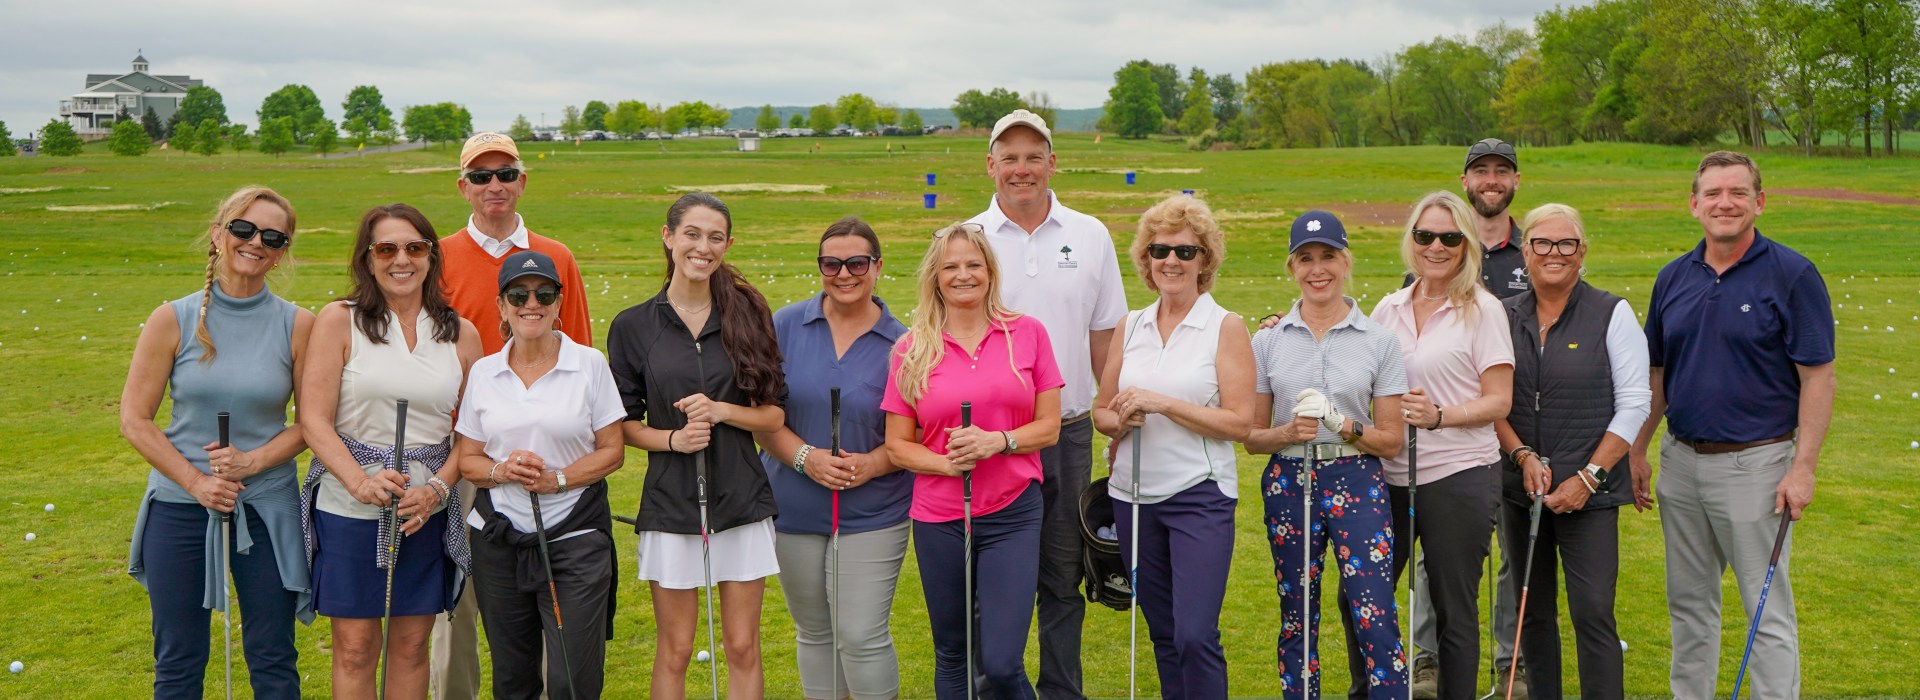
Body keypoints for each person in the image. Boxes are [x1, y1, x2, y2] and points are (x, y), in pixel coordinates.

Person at [1631, 151, 1833, 700]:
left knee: (1765, 610)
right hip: (1681, 462)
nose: (1726, 203)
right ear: (1694, 205)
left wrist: (1804, 468)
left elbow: (1817, 376)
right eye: (1714, 193)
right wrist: (1639, 448)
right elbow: (1657, 373)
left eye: (1738, 192)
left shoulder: (1792, 274)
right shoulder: (1673, 277)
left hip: (1757, 468)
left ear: (1759, 202)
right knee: (1689, 605)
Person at [121, 186, 316, 699]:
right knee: (179, 658)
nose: (256, 242)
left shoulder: (299, 326)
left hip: (265, 508)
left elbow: (313, 423)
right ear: (218, 234)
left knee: (273, 655)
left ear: (281, 253)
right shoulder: (174, 319)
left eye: (272, 237)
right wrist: (196, 481)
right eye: (244, 229)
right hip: (181, 505)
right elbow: (135, 419)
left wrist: (251, 461)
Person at [966, 109, 1128, 700]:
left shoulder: (1089, 234)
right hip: (989, 438)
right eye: (1009, 157)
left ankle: (1062, 691)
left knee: (1062, 574)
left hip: (1069, 427)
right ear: (990, 166)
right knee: (990, 576)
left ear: (1053, 163)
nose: (1021, 168)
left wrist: (1110, 415)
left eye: (1034, 156)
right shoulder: (966, 239)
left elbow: (1106, 334)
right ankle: (992, 688)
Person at [432, 131, 594, 700]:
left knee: (550, 611)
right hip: (462, 454)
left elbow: (578, 357)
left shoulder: (557, 258)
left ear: (523, 181)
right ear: (463, 187)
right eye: (481, 176)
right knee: (460, 606)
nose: (494, 185)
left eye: (505, 174)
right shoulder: (439, 258)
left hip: (547, 462)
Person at [609, 192, 788, 698]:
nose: (702, 247)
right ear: (668, 238)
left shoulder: (749, 316)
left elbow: (774, 412)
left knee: (742, 645)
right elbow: (623, 423)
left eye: (714, 238)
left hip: (741, 497)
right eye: (692, 234)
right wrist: (674, 439)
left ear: (727, 245)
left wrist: (724, 411)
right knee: (677, 648)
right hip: (670, 502)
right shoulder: (632, 325)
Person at [299, 204, 481, 699]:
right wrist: (359, 481)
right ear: (368, 258)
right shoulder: (340, 320)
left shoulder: (461, 333)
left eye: (414, 247)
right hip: (349, 503)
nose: (401, 259)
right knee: (356, 646)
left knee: (412, 644)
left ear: (431, 256)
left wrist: (440, 489)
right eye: (386, 248)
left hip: (424, 509)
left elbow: (472, 432)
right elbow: (313, 418)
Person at [883, 222, 1063, 700]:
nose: (963, 275)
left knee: (1003, 663)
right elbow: (898, 444)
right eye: (951, 267)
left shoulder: (1027, 334)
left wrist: (997, 442)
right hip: (940, 517)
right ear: (935, 277)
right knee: (953, 655)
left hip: (1012, 513)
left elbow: (1049, 426)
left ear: (990, 271)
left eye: (973, 265)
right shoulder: (911, 348)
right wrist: (946, 463)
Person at [1091, 196, 1254, 699]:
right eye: (1160, 249)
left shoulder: (1226, 326)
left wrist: (1163, 404)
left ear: (1204, 260)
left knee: (1194, 634)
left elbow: (1240, 423)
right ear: (1146, 258)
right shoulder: (1131, 325)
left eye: (1185, 251)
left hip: (1198, 496)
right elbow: (1100, 411)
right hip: (1132, 498)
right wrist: (1119, 420)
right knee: (1162, 632)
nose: (1171, 261)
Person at [1246, 211, 1409, 699]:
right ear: (1292, 267)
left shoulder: (1378, 339)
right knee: (1297, 613)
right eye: (1306, 259)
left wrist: (1344, 425)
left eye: (1329, 257)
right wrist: (1285, 432)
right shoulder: (1269, 340)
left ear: (1346, 261)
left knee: (1374, 611)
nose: (1318, 269)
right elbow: (1252, 437)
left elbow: (1392, 440)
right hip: (1288, 478)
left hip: (1356, 476)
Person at [1491, 204, 1651, 700]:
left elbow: (1634, 404)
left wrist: (1587, 478)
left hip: (1590, 497)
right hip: (1523, 493)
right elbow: (1491, 399)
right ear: (1526, 251)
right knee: (1533, 612)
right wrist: (1521, 457)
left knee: (1593, 612)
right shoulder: (1501, 313)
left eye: (1566, 244)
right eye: (1542, 243)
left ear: (1582, 253)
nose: (1554, 253)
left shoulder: (1611, 312)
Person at [453, 251, 626, 698]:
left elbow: (613, 451)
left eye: (544, 293)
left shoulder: (589, 364)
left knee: (573, 678)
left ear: (558, 302)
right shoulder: (485, 372)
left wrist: (559, 479)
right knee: (513, 678)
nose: (532, 303)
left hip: (574, 539)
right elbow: (468, 457)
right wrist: (501, 470)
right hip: (500, 541)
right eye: (519, 294)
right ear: (502, 306)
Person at [1362, 191, 1514, 700]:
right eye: (1425, 235)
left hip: (1459, 475)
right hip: (1389, 479)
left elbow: (1499, 401)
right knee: (1359, 597)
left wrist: (1441, 416)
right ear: (1412, 240)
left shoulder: (1484, 310)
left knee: (1453, 608)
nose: (1436, 246)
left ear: (1468, 244)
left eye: (1450, 238)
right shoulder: (1390, 307)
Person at [754, 217, 912, 700]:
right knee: (816, 633)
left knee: (861, 637)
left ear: (878, 267)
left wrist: (873, 464)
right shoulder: (783, 325)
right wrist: (805, 458)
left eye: (857, 262)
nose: (844, 273)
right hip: (794, 507)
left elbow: (914, 433)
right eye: (831, 263)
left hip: (874, 512)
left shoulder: (904, 343)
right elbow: (763, 417)